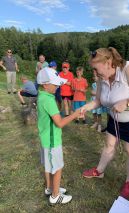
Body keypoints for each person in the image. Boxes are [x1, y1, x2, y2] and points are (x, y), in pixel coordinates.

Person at [81, 47, 129, 199]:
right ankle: (99, 171)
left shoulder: (128, 70)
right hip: (116, 116)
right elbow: (97, 101)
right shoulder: (103, 78)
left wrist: (128, 102)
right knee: (109, 145)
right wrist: (86, 106)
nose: (94, 73)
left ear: (108, 62)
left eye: (96, 69)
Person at [37, 67, 80, 204]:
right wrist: (74, 114)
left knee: (49, 167)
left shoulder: (42, 95)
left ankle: (49, 188)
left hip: (46, 139)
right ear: (45, 84)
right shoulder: (49, 100)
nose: (57, 87)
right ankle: (55, 196)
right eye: (55, 84)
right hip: (52, 141)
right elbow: (60, 123)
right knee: (57, 167)